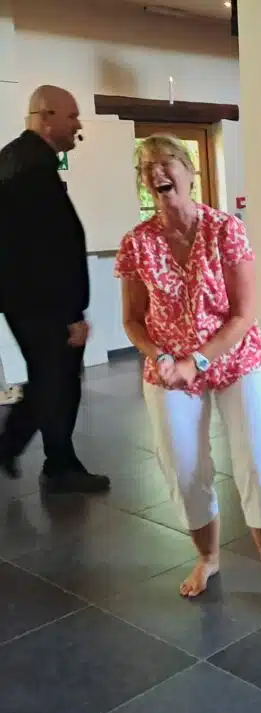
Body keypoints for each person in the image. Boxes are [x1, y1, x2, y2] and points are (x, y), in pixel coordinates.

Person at [114, 133, 261, 614]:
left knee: (260, 461)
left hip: (237, 359)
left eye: (166, 162)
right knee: (182, 468)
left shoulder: (225, 229)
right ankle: (207, 559)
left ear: (189, 172)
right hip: (169, 370)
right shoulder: (137, 243)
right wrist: (159, 356)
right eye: (146, 167)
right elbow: (132, 320)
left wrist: (197, 359)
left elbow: (243, 314)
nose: (156, 172)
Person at [0, 85, 110, 493]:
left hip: (24, 300)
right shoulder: (32, 169)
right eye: (72, 116)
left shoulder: (16, 159)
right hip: (44, 305)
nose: (78, 125)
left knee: (49, 380)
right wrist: (72, 315)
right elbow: (48, 250)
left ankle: (54, 460)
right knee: (56, 382)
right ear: (46, 118)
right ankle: (45, 460)